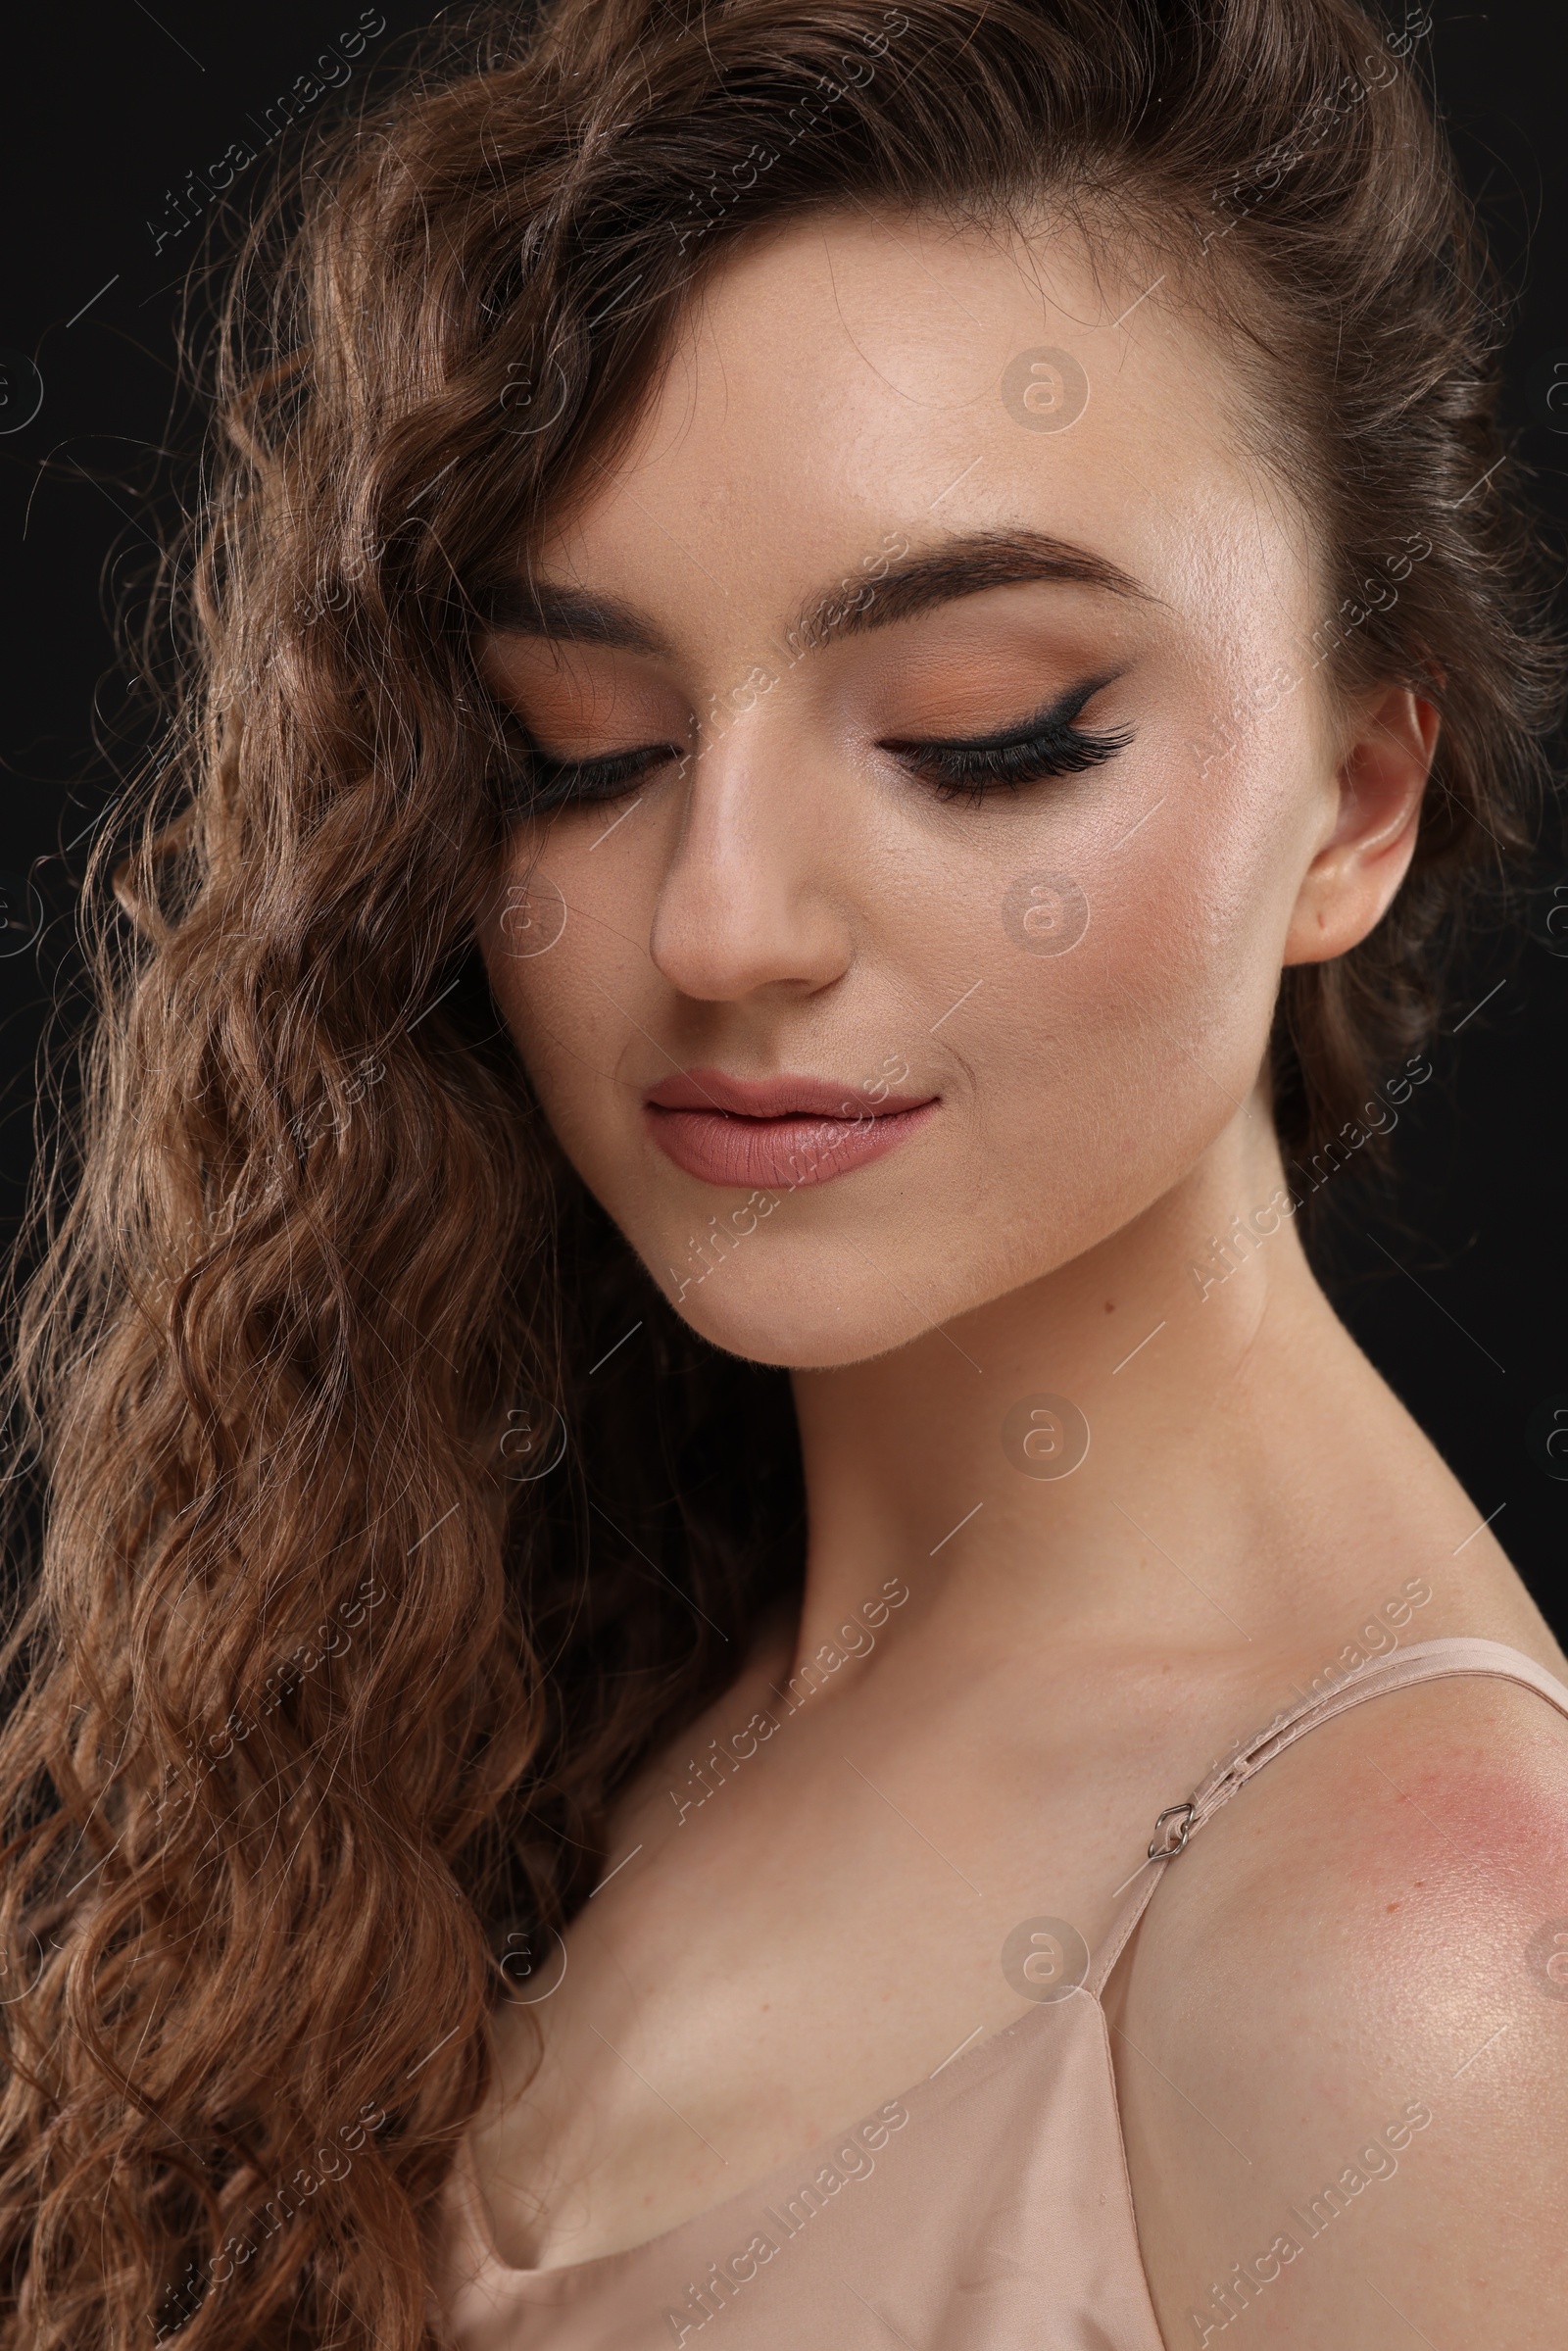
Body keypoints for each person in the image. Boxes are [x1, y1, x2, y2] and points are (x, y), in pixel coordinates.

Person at [1, 0, 1564, 2346]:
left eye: (979, 739)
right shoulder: (556, 1670)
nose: (721, 924)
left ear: (1356, 795)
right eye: (576, 754)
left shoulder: (1422, 1963)